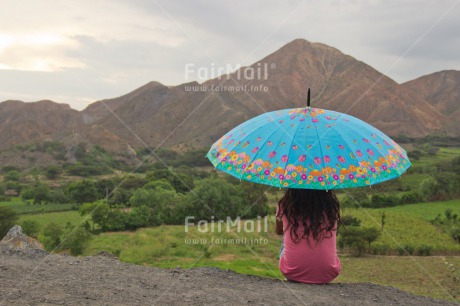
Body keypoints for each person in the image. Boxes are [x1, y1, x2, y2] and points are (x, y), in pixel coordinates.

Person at [275, 188, 341, 284]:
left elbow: (278, 231)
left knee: (286, 233)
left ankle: (296, 265)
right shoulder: (332, 207)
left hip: (292, 272)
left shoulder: (285, 205)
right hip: (328, 273)